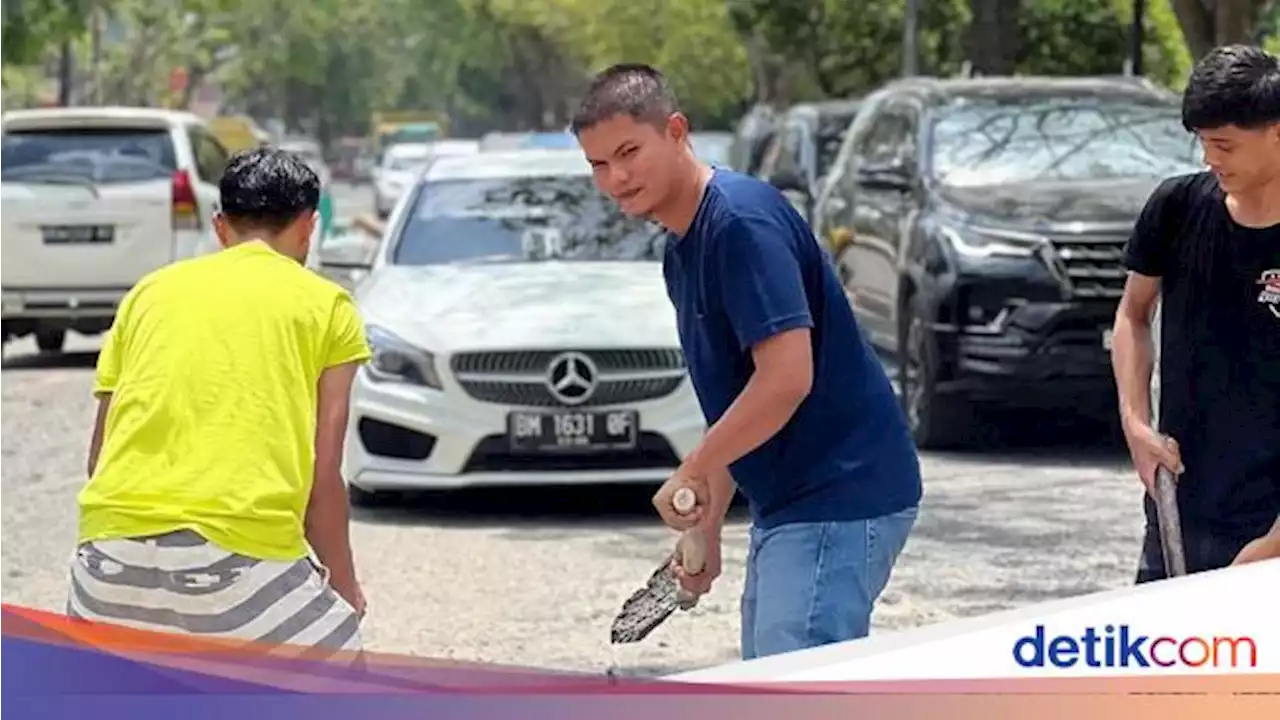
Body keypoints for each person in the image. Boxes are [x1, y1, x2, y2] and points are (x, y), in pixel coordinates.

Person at [571, 64, 923, 660]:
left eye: (629, 151)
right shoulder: (682, 245)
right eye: (599, 165)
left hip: (839, 493)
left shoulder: (740, 223)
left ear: (676, 131)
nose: (617, 177)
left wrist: (692, 469)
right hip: (792, 503)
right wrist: (704, 523)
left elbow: (787, 378)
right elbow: (743, 397)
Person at [68, 147, 371, 659]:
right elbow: (322, 479)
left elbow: (99, 456)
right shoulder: (327, 306)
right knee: (344, 673)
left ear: (219, 226)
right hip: (237, 570)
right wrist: (344, 590)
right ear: (308, 226)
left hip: (104, 571)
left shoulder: (148, 293)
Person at [1111, 44, 1280, 582]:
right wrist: (1137, 425)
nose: (1210, 159)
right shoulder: (1176, 208)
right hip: (1178, 508)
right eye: (1203, 144)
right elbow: (1133, 316)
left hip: (1269, 524)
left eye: (1224, 144)